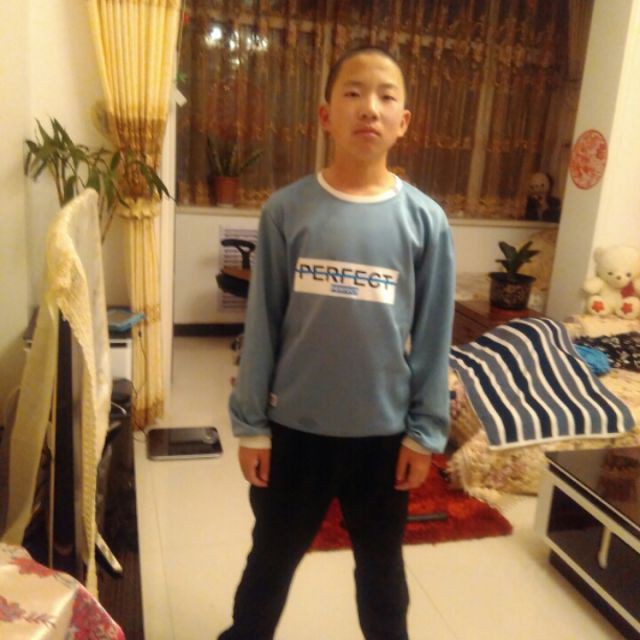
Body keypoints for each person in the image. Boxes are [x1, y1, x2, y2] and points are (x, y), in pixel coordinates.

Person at [219, 45, 456, 640]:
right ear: (325, 115)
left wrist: (425, 433)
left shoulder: (426, 221)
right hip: (294, 430)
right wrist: (252, 426)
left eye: (385, 96)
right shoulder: (286, 210)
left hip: (383, 437)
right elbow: (262, 323)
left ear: (404, 121)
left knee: (382, 567)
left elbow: (434, 336)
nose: (369, 108)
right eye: (353, 93)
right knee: (271, 558)